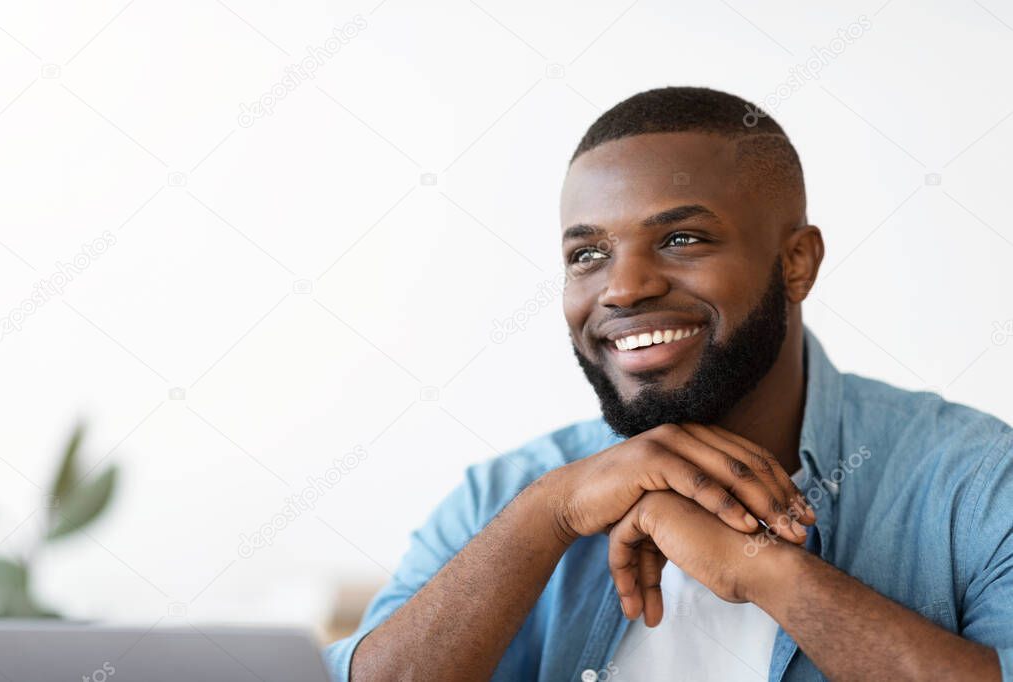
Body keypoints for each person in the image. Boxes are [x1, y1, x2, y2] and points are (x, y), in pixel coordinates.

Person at [325, 86, 1013, 681]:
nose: (623, 288)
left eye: (682, 239)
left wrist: (766, 574)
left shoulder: (975, 480)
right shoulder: (503, 498)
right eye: (587, 254)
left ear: (796, 262)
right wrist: (552, 515)